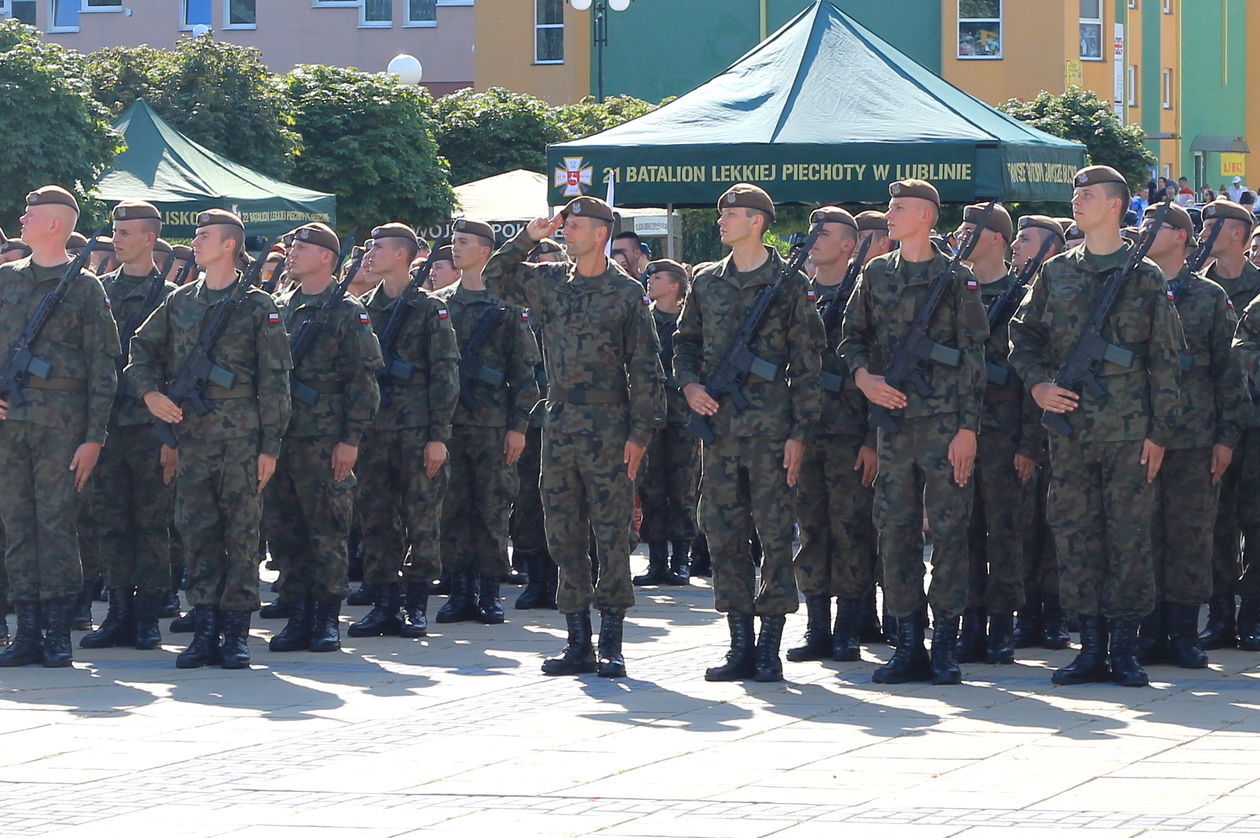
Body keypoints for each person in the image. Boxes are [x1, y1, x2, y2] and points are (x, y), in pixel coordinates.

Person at [1009, 165, 1182, 687]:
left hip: (1129, 433)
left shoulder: (1145, 276)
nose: (1077, 201)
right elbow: (1023, 336)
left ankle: (1124, 649)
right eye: (1075, 194)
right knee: (1075, 535)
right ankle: (1089, 647)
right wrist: (1039, 386)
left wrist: (1160, 432)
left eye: (1088, 195)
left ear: (1115, 206)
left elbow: (1166, 360)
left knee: (1129, 537)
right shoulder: (1056, 272)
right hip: (1070, 431)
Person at [485, 195, 665, 679]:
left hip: (610, 425)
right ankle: (577, 641)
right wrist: (529, 237)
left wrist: (640, 433)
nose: (567, 231)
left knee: (612, 535)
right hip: (561, 422)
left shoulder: (626, 292)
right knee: (563, 533)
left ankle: (612, 642)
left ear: (602, 232)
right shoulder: (549, 280)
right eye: (566, 225)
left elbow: (646, 368)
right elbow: (495, 275)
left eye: (576, 225)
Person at [128, 209, 293, 670]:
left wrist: (270, 446)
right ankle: (204, 628)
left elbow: (275, 380)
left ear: (228, 245)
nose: (195, 243)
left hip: (242, 440)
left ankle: (236, 632)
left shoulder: (258, 305)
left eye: (204, 236)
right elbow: (141, 349)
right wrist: (150, 394)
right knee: (197, 531)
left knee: (241, 535)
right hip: (193, 437)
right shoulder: (180, 301)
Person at [840, 179, 987, 686]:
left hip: (945, 426)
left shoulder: (957, 278)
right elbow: (852, 339)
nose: (890, 214)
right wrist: (865, 378)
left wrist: (967, 428)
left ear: (926, 216)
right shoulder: (876, 273)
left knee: (949, 534)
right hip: (894, 426)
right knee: (895, 532)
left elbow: (973, 358)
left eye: (899, 208)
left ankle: (944, 643)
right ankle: (907, 642)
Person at [675, 183, 823, 683]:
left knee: (776, 536)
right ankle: (739, 641)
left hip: (771, 432)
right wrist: (690, 386)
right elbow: (684, 343)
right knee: (723, 534)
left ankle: (769, 646)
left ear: (757, 221)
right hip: (719, 432)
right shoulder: (706, 281)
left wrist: (800, 432)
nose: (722, 221)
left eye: (732, 214)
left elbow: (807, 365)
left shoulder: (788, 284)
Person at [0, 187, 119, 669]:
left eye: (31, 215)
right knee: (17, 526)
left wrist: (93, 437)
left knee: (55, 526)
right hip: (11, 425)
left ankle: (56, 632)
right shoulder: (5, 279)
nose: (22, 220)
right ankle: (26, 631)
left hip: (62, 427)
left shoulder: (85, 287)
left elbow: (103, 367)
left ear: (54, 224)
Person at [264, 224, 382, 654]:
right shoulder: (280, 305)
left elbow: (363, 382)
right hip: (282, 437)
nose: (292, 253)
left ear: (327, 257)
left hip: (326, 438)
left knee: (327, 530)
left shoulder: (348, 311)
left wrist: (351, 439)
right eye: (292, 247)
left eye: (302, 248)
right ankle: (297, 614)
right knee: (285, 530)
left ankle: (326, 618)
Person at [1140, 201, 1247, 668]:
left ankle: (1184, 632)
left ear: (1180, 236)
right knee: (1141, 534)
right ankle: (1148, 631)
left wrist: (1225, 438)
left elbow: (1229, 373)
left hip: (1195, 435)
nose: (1145, 230)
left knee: (1190, 535)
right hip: (1139, 433)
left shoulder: (1208, 296)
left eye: (1156, 224)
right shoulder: (1130, 288)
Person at [350, 224, 459, 640]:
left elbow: (445, 375)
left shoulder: (429, 309)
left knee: (421, 518)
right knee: (376, 519)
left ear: (401, 255)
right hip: (374, 431)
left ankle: (415, 603)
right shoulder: (362, 308)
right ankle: (384, 603)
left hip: (416, 431)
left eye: (378, 247)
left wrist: (438, 437)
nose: (370, 254)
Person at [79, 200, 178, 653]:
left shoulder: (174, 298)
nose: (115, 239)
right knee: (111, 520)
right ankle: (118, 612)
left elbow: (179, 370)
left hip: (151, 428)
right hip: (107, 424)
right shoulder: (97, 290)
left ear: (149, 238)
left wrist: (172, 438)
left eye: (125, 232)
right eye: (114, 231)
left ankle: (147, 615)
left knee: (152, 524)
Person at [432, 218, 539, 626]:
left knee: (492, 508)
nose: (455, 248)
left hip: (493, 425)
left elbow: (525, 374)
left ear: (485, 251)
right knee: (452, 508)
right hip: (449, 424)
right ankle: (460, 590)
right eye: (454, 241)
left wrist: (518, 426)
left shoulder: (507, 306)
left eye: (464, 242)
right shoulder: (439, 303)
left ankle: (490, 591)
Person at [785, 206, 876, 666]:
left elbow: (881, 367)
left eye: (825, 233)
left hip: (849, 431)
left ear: (849, 245)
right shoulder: (793, 293)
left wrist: (873, 438)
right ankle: (817, 625)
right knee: (812, 529)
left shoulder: (866, 295)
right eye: (812, 232)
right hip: (805, 429)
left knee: (851, 530)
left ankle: (848, 628)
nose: (814, 240)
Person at [954, 202, 1042, 667]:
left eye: (969, 230)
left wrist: (1029, 444)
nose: (959, 237)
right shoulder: (952, 289)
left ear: (994, 238)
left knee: (1006, 532)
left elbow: (1032, 377)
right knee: (962, 530)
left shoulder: (1022, 295)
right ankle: (969, 623)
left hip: (1006, 432)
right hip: (958, 430)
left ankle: (1003, 625)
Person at [1005, 216, 1068, 651]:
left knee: (1057, 528)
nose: (1015, 245)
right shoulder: (1012, 295)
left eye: (1025, 239)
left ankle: (1055, 615)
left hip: (1059, 426)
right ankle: (1026, 614)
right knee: (1023, 528)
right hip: (1014, 428)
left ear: (1050, 249)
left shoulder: (1061, 292)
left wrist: (1031, 443)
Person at [1200, 198, 1260, 650]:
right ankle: (1219, 615)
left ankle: (1253, 613)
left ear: (1237, 232)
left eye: (1211, 226)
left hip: (1255, 425)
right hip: (1209, 423)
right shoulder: (1196, 288)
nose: (1202, 235)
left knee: (1256, 522)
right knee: (1215, 523)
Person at [633, 259, 701, 588]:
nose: (650, 281)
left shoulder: (689, 322)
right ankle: (657, 559)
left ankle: (682, 558)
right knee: (652, 489)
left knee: (683, 488)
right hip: (651, 416)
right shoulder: (643, 320)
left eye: (657, 277)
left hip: (682, 416)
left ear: (675, 285)